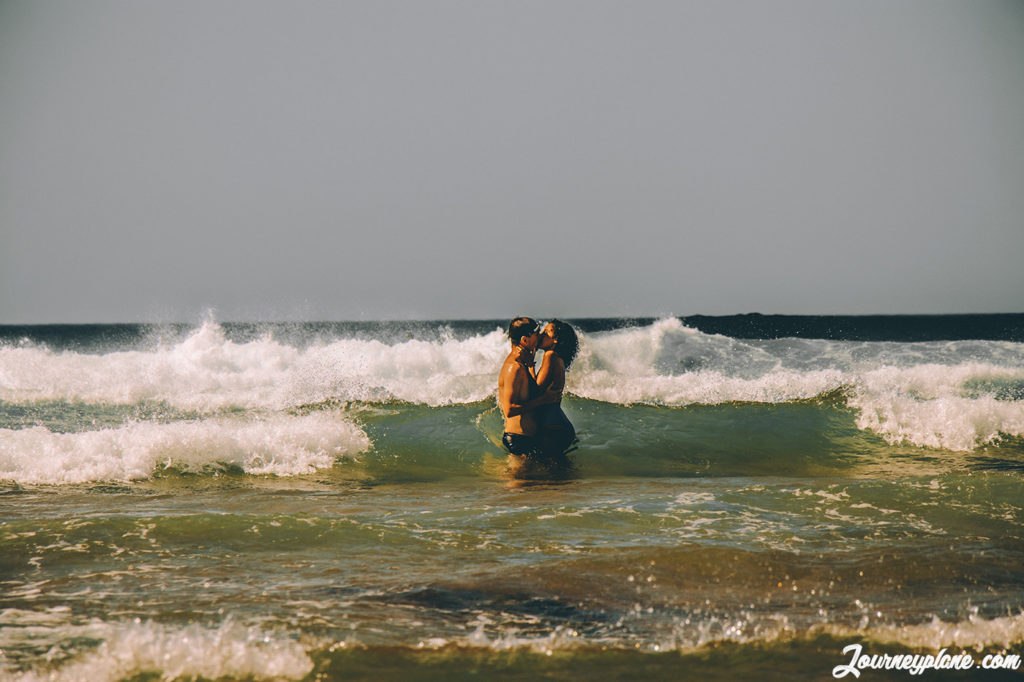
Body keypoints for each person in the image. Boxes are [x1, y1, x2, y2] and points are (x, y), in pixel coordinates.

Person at [497, 316, 558, 468]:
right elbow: (509, 409)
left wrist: (530, 366)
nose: (540, 335)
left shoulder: (522, 362)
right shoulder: (514, 368)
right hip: (518, 441)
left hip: (526, 439)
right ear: (525, 340)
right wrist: (543, 400)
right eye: (536, 332)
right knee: (517, 490)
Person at [531, 319, 579, 459]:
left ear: (556, 340)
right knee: (558, 474)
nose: (541, 334)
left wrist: (529, 366)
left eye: (546, 332)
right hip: (556, 422)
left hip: (552, 425)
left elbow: (536, 390)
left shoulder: (551, 356)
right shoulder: (557, 358)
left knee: (552, 476)